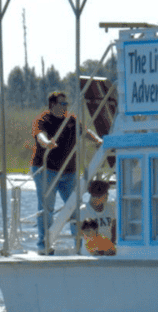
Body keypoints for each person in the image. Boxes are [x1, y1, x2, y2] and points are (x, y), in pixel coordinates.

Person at [30, 91, 103, 253]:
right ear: (52, 105)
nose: (65, 107)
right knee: (46, 208)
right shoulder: (43, 119)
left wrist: (98, 140)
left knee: (75, 207)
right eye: (62, 104)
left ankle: (80, 244)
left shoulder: (71, 120)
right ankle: (44, 245)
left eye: (66, 104)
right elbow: (40, 135)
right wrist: (47, 142)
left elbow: (85, 132)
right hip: (46, 170)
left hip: (68, 172)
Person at [80, 177, 117, 255]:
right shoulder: (83, 210)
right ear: (97, 196)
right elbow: (84, 235)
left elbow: (114, 228)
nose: (108, 195)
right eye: (106, 193)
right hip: (91, 252)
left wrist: (111, 244)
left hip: (108, 249)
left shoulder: (111, 207)